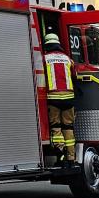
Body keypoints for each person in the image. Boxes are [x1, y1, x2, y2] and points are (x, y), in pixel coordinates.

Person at [42, 33, 77, 164]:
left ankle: (60, 155)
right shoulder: (68, 59)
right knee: (68, 128)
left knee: (56, 126)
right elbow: (74, 76)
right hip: (69, 99)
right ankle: (71, 157)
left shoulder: (44, 59)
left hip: (53, 98)